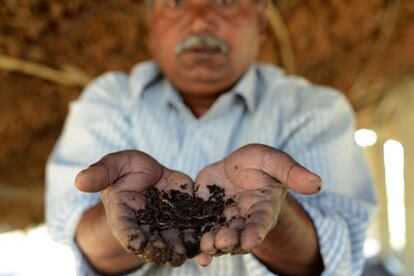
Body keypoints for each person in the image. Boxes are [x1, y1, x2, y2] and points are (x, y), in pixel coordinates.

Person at [46, 0, 378, 275]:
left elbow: (340, 256)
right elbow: (77, 234)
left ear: (260, 19)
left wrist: (277, 214)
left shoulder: (314, 109)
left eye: (225, 1)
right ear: (152, 21)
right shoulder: (111, 100)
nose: (200, 21)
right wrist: (126, 213)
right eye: (176, 2)